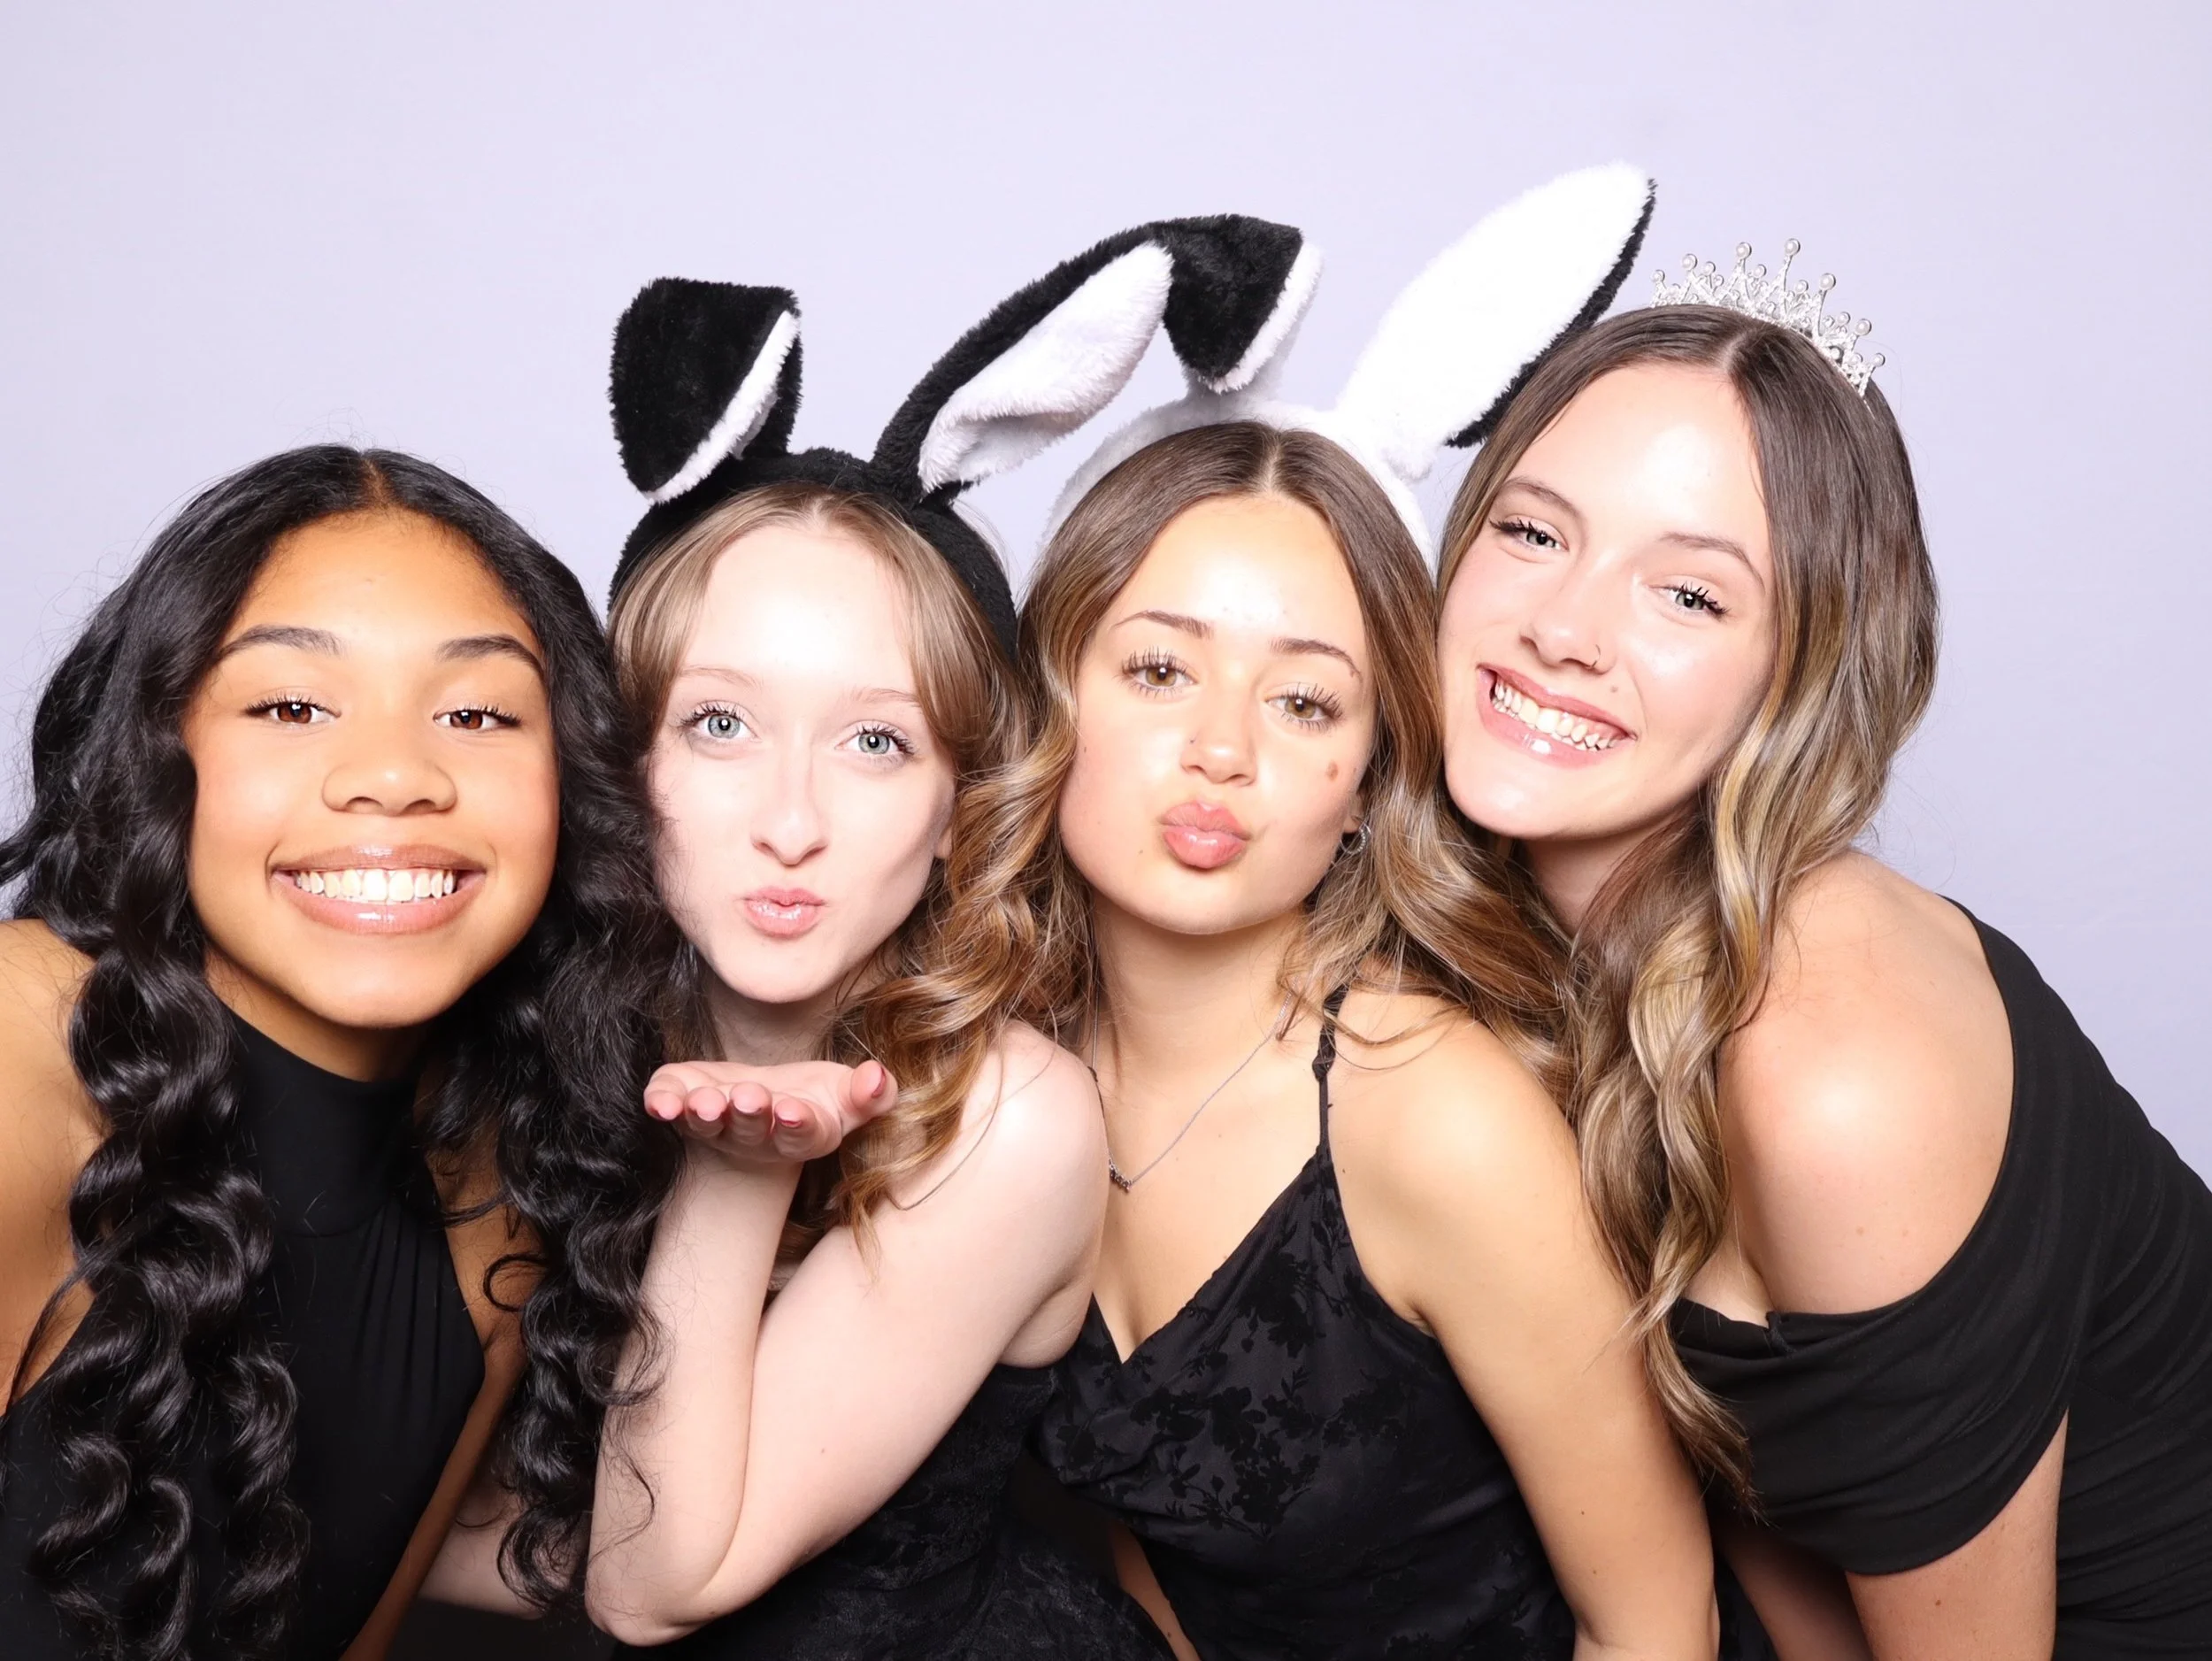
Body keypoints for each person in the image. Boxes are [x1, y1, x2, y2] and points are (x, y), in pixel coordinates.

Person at [1432, 259, 2212, 1657]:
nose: (1562, 628)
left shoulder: (1836, 1068)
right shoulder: (1558, 963)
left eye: (1689, 597)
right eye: (1535, 534)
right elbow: (1783, 1521)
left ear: (1801, 670)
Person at [577, 246, 1210, 1658]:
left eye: (876, 742)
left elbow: (648, 1583)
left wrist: (741, 1175)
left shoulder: (1012, 1118)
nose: (790, 821)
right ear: (624, 757)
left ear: (953, 810)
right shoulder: (559, 1028)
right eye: (720, 725)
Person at [1024, 419, 1721, 1661]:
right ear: (1053, 696)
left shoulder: (1435, 1114)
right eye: (1158, 671)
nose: (1223, 751)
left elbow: (1658, 1626)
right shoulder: (1014, 1085)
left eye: (1303, 702)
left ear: (1363, 789)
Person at [0, 446, 677, 1661]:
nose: (394, 778)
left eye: (476, 714)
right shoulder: (22, 1044)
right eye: (291, 706)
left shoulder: (498, 1187)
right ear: (161, 752)